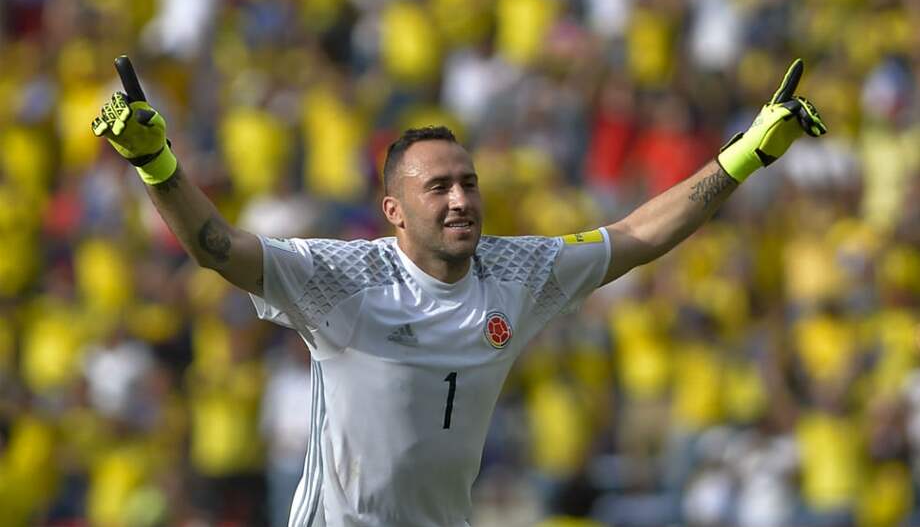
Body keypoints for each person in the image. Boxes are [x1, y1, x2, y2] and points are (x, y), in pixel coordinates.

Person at [91, 58, 826, 527]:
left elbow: (638, 234)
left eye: (468, 182)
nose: (458, 199)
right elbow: (214, 246)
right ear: (394, 210)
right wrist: (156, 160)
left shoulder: (518, 271)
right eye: (436, 186)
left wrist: (747, 151)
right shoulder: (342, 277)